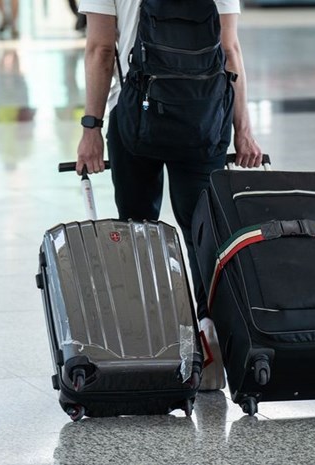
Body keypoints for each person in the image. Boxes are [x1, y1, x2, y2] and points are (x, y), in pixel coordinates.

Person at [75, 0, 263, 390]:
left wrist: (91, 128)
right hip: (205, 117)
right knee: (203, 235)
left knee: (139, 232)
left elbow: (100, 49)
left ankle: (153, 342)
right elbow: (230, 49)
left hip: (134, 120)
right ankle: (211, 340)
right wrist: (243, 129)